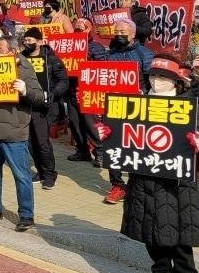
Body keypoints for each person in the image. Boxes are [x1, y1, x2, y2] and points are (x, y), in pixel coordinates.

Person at [107, 52, 199, 273]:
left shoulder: (188, 106)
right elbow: (120, 134)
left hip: (175, 182)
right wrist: (107, 132)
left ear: (176, 82)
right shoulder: (136, 103)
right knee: (148, 230)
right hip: (143, 179)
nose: (157, 81)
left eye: (164, 77)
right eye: (153, 75)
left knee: (178, 233)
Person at [0, 42, 45, 231]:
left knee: (21, 175)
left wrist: (25, 91)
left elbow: (38, 97)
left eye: (0, 49)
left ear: (13, 51)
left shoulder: (25, 68)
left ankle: (26, 215)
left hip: (14, 131)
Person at [102, 19, 155, 204]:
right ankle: (117, 185)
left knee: (137, 148)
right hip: (114, 108)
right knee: (113, 147)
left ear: (133, 34)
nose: (119, 35)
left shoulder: (145, 54)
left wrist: (144, 94)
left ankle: (136, 185)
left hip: (138, 108)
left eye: (123, 31)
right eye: (116, 31)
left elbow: (153, 82)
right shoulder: (110, 55)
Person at [21, 27, 70, 190]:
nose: (27, 43)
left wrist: (53, 94)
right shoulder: (21, 59)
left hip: (44, 106)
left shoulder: (52, 60)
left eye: (30, 40)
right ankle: (40, 171)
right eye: (25, 40)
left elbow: (63, 81)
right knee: (29, 142)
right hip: (25, 104)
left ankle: (50, 174)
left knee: (42, 142)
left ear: (40, 42)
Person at [65, 18, 108, 163]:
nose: (78, 31)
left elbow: (102, 67)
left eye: (81, 29)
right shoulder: (69, 45)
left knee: (91, 124)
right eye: (76, 29)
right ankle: (82, 150)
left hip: (88, 91)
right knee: (73, 121)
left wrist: (85, 62)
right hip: (72, 89)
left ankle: (100, 152)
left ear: (89, 29)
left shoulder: (96, 47)